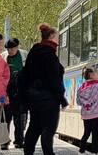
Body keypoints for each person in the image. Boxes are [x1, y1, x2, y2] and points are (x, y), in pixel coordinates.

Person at [21, 23, 68, 155]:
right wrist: (62, 99)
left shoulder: (33, 52)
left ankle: (28, 153)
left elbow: (25, 74)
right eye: (58, 37)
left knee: (34, 127)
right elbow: (54, 80)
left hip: (32, 96)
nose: (59, 40)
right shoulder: (50, 55)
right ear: (52, 37)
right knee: (48, 130)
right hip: (48, 98)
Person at [1, 38, 28, 149]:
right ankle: (4, 141)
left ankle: (19, 140)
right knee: (6, 118)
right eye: (8, 49)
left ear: (17, 46)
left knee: (20, 118)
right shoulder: (3, 56)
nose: (10, 51)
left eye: (12, 48)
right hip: (7, 90)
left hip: (21, 90)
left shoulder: (24, 55)